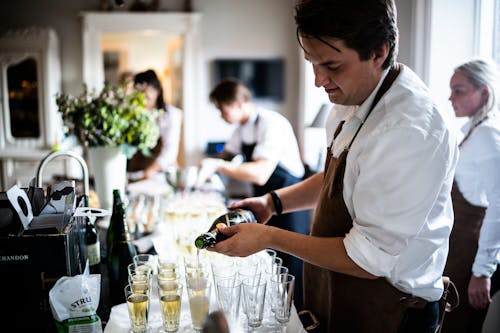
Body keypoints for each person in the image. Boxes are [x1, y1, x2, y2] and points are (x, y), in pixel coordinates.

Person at [207, 0, 459, 332]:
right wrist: (273, 202)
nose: (318, 80)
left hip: (390, 312)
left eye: (332, 66)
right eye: (312, 63)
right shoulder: (352, 101)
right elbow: (337, 177)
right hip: (340, 295)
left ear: (379, 52)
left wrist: (267, 236)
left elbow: (368, 260)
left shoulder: (410, 130)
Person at [203, 78, 311, 310]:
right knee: (270, 263)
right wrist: (210, 163)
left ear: (240, 102)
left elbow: (260, 173)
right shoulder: (241, 129)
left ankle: (298, 318)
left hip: (290, 202)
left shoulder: (271, 123)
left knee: (291, 269)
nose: (221, 115)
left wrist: (217, 166)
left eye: (222, 109)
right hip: (265, 203)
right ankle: (275, 311)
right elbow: (226, 155)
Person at [442, 59, 500, 333]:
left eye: (459, 90)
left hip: (470, 251)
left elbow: (498, 204)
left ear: (484, 92)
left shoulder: (488, 134)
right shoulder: (471, 132)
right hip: (457, 247)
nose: (450, 97)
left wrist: (482, 271)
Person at [127, 69, 182, 180]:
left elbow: (170, 152)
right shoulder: (131, 114)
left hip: (161, 175)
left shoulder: (171, 115)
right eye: (138, 94)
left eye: (146, 95)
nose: (142, 99)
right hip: (134, 173)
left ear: (157, 91)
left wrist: (148, 173)